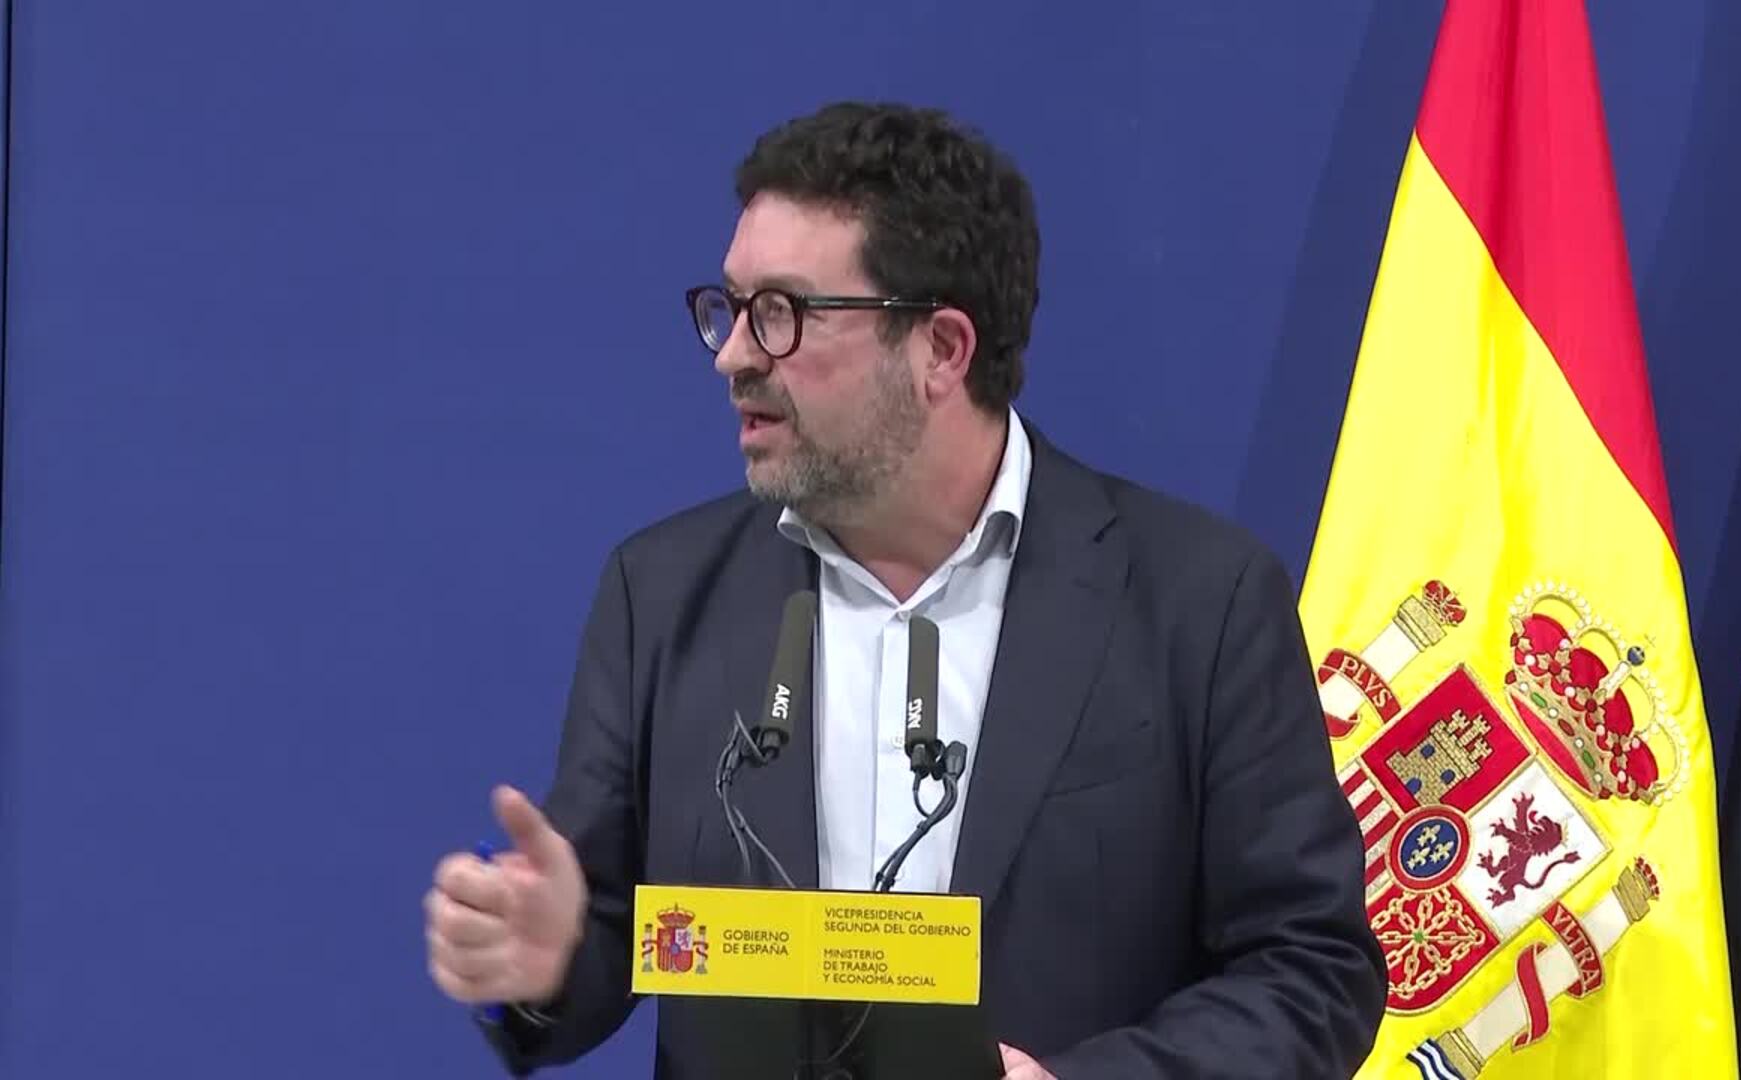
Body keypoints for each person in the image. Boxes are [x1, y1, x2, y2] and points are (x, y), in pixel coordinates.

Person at [423, 100, 1386, 1079]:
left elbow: (1311, 970)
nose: (733, 354)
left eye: (781, 313)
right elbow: (608, 929)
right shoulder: (663, 595)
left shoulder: (1199, 602)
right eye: (731, 306)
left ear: (941, 349)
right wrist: (548, 960)